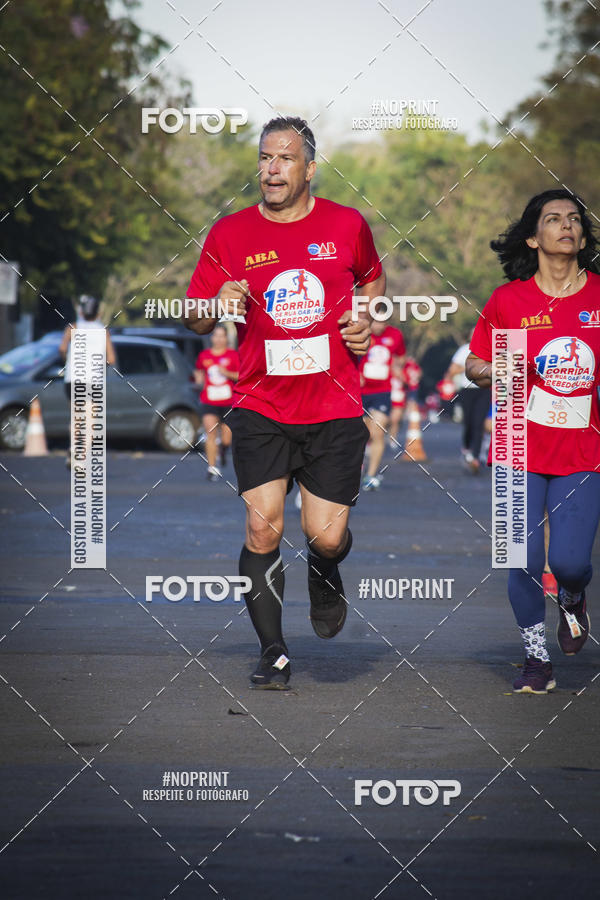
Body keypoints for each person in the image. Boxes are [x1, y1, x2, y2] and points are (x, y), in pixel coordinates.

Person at [184, 116, 385, 689]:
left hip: (334, 405)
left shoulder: (346, 225)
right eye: (265, 158)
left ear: (310, 168)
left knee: (324, 534)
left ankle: (325, 569)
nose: (271, 169)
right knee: (261, 528)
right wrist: (217, 302)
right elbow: (196, 317)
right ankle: (273, 651)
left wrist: (364, 316)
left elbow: (373, 278)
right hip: (261, 403)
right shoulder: (230, 234)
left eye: (285, 159)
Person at [466, 188, 600, 694]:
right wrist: (504, 365)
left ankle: (572, 596)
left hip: (584, 452)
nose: (566, 225)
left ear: (583, 237)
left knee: (569, 562)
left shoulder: (598, 297)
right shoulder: (511, 300)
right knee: (518, 558)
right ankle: (535, 659)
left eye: (574, 220)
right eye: (553, 219)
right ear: (533, 235)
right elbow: (474, 366)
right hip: (516, 443)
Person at [59, 295, 116, 468]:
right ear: (98, 312)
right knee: (91, 420)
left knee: (77, 417)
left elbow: (62, 349)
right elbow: (111, 358)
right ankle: (81, 458)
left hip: (73, 378)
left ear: (81, 312)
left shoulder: (72, 327)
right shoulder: (103, 330)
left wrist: (67, 360)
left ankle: (73, 448)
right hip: (94, 379)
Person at [360, 320, 405, 490]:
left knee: (378, 432)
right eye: (376, 322)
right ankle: (358, 465)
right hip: (360, 390)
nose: (379, 326)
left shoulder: (395, 335)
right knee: (362, 433)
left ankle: (371, 475)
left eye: (383, 322)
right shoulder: (360, 331)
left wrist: (397, 367)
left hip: (382, 391)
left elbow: (401, 356)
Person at [194, 324, 240, 481]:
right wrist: (199, 381)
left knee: (227, 438)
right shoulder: (204, 355)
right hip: (209, 400)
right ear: (212, 338)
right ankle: (212, 468)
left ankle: (223, 450)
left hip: (228, 401)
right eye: (216, 335)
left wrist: (226, 372)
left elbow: (241, 376)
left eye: (222, 336)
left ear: (226, 338)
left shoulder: (233, 355)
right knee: (211, 433)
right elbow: (199, 371)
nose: (219, 339)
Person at [446, 330, 491, 473]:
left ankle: (476, 457)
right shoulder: (464, 350)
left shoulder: (490, 349)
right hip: (466, 390)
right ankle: (466, 447)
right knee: (468, 422)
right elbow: (452, 370)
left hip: (484, 390)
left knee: (479, 423)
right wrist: (471, 368)